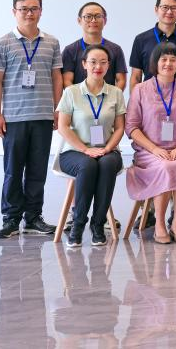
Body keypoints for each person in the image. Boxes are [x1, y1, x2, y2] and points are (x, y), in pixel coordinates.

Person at [0, 0, 63, 238]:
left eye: (34, 9)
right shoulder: (2, 43)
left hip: (43, 116)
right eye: (24, 9)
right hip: (14, 117)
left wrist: (57, 109)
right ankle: (11, 218)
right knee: (13, 170)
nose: (29, 13)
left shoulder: (52, 42)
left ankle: (33, 218)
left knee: (37, 170)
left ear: (40, 11)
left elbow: (56, 77)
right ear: (14, 12)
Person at [125, 42, 176, 244]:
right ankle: (159, 223)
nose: (168, 63)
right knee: (165, 166)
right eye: (164, 59)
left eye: (173, 60)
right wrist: (154, 149)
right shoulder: (140, 89)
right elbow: (131, 127)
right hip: (149, 152)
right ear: (155, 63)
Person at [55, 43, 126, 246]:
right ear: (84, 64)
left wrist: (107, 148)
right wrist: (85, 149)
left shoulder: (115, 93)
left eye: (103, 62)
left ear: (108, 65)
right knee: (87, 165)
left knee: (106, 163)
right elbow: (63, 127)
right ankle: (78, 224)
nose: (98, 66)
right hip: (74, 151)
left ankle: (98, 224)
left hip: (107, 149)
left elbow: (120, 128)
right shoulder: (71, 92)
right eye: (93, 62)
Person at [60, 1, 127, 90]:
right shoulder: (70, 50)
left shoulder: (116, 49)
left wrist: (113, 96)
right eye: (88, 16)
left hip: (108, 98)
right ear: (79, 20)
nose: (93, 20)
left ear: (105, 21)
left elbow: (121, 80)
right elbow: (67, 81)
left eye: (98, 16)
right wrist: (77, 97)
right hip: (78, 98)